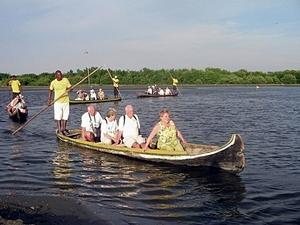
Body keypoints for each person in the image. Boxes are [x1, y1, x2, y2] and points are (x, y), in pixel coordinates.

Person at [48, 70, 72, 135]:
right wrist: (49, 100)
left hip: (66, 101)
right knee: (58, 117)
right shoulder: (53, 82)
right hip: (57, 102)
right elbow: (50, 91)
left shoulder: (65, 80)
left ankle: (63, 128)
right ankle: (59, 129)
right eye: (58, 75)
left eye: (61, 75)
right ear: (56, 76)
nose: (60, 76)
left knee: (65, 116)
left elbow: (70, 87)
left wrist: (70, 89)